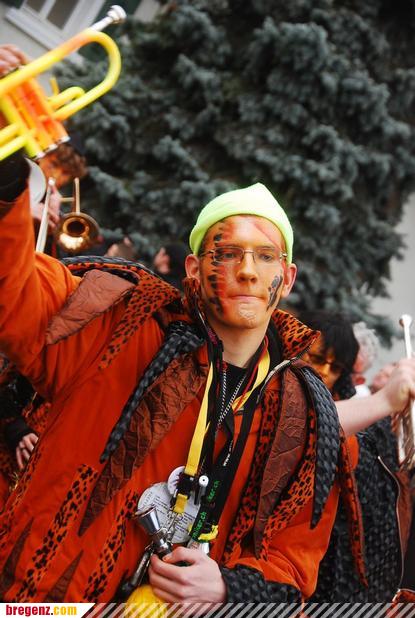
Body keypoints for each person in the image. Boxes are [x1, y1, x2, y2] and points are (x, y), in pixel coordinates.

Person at [1, 155, 415, 606]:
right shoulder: (117, 324)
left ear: (287, 278)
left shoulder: (300, 411)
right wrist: (8, 177)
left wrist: (229, 589)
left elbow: (293, 562)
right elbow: (14, 291)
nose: (248, 271)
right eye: (227, 254)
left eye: (265, 257)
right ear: (194, 269)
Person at [298, 309, 413, 601]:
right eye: (316, 358)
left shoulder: (369, 430)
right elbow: (300, 422)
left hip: (350, 575)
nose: (324, 371)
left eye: (335, 366)